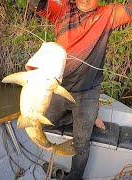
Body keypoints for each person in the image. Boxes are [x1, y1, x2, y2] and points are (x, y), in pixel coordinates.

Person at [29, 0, 132, 179]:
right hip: (60, 88)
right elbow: (36, 3)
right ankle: (85, 119)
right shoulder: (62, 10)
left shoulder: (108, 14)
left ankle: (75, 176)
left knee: (81, 143)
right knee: (45, 122)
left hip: (88, 92)